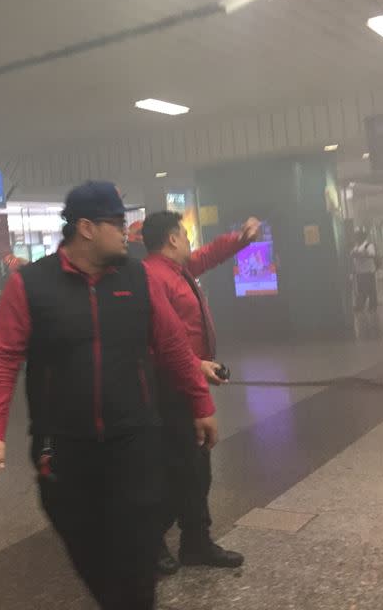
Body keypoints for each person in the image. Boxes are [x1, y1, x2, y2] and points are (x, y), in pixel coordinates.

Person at [0, 181, 221, 610]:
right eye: (118, 223)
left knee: (140, 548)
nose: (127, 232)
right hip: (63, 446)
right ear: (86, 228)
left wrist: (200, 403)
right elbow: (1, 357)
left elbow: (173, 346)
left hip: (135, 437)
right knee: (90, 548)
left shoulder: (137, 279)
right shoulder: (31, 285)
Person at [142, 212, 259, 574]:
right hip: (166, 387)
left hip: (188, 381)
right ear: (172, 238)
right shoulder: (151, 278)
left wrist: (240, 240)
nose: (190, 241)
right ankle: (148, 541)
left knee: (196, 467)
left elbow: (206, 255)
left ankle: (195, 542)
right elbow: (157, 342)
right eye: (185, 234)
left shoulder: (177, 270)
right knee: (178, 471)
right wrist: (196, 364)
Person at [352, 231, 378, 312]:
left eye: (357, 237)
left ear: (362, 237)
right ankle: (361, 306)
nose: (356, 238)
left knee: (371, 290)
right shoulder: (356, 246)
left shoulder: (368, 245)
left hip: (368, 271)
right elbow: (352, 254)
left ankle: (373, 306)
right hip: (360, 272)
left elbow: (372, 254)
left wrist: (361, 254)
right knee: (361, 290)